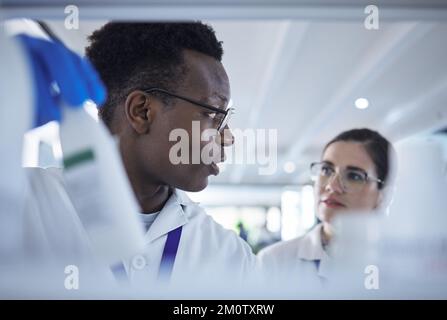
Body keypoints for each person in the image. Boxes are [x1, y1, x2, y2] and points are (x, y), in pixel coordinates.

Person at [13, 22, 258, 289]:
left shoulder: (230, 256)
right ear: (142, 112)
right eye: (214, 114)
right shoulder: (22, 204)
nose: (229, 137)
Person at [258, 128, 395, 284]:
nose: (332, 185)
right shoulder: (274, 262)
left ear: (383, 195)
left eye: (354, 176)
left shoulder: (405, 267)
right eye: (326, 170)